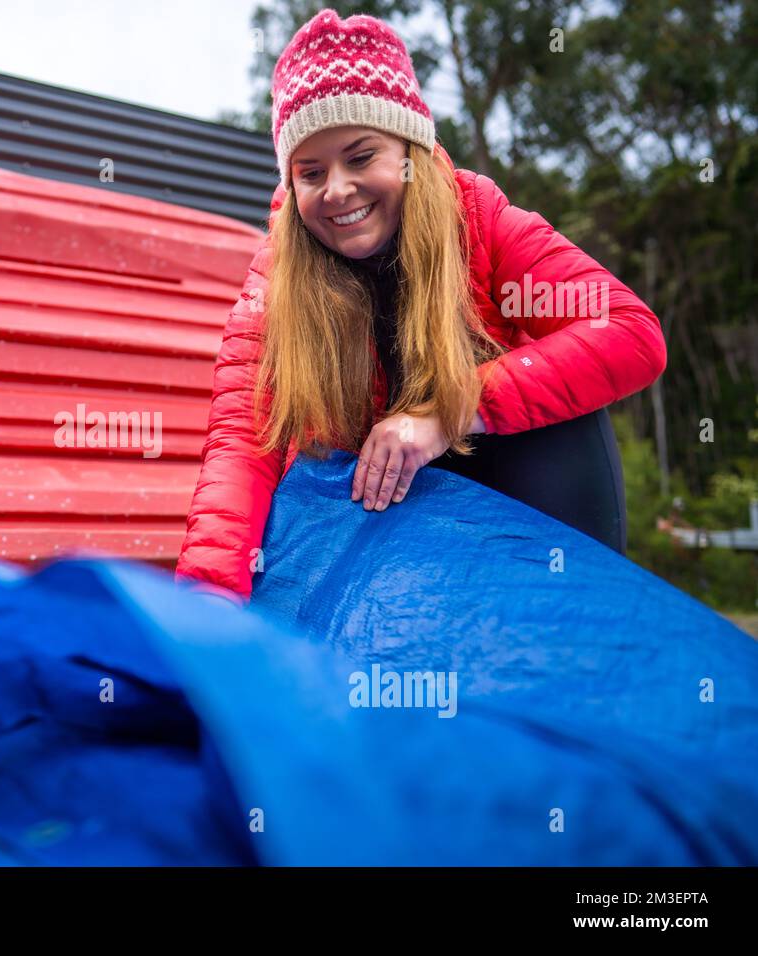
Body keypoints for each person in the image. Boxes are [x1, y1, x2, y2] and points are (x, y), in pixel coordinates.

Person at [174, 8, 667, 605]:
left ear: (409, 149)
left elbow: (631, 331)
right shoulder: (276, 281)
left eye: (361, 157)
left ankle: (575, 630)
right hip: (396, 509)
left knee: (559, 415)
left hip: (521, 485)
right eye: (310, 172)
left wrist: (449, 411)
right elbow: (241, 444)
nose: (337, 190)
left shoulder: (480, 219)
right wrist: (207, 603)